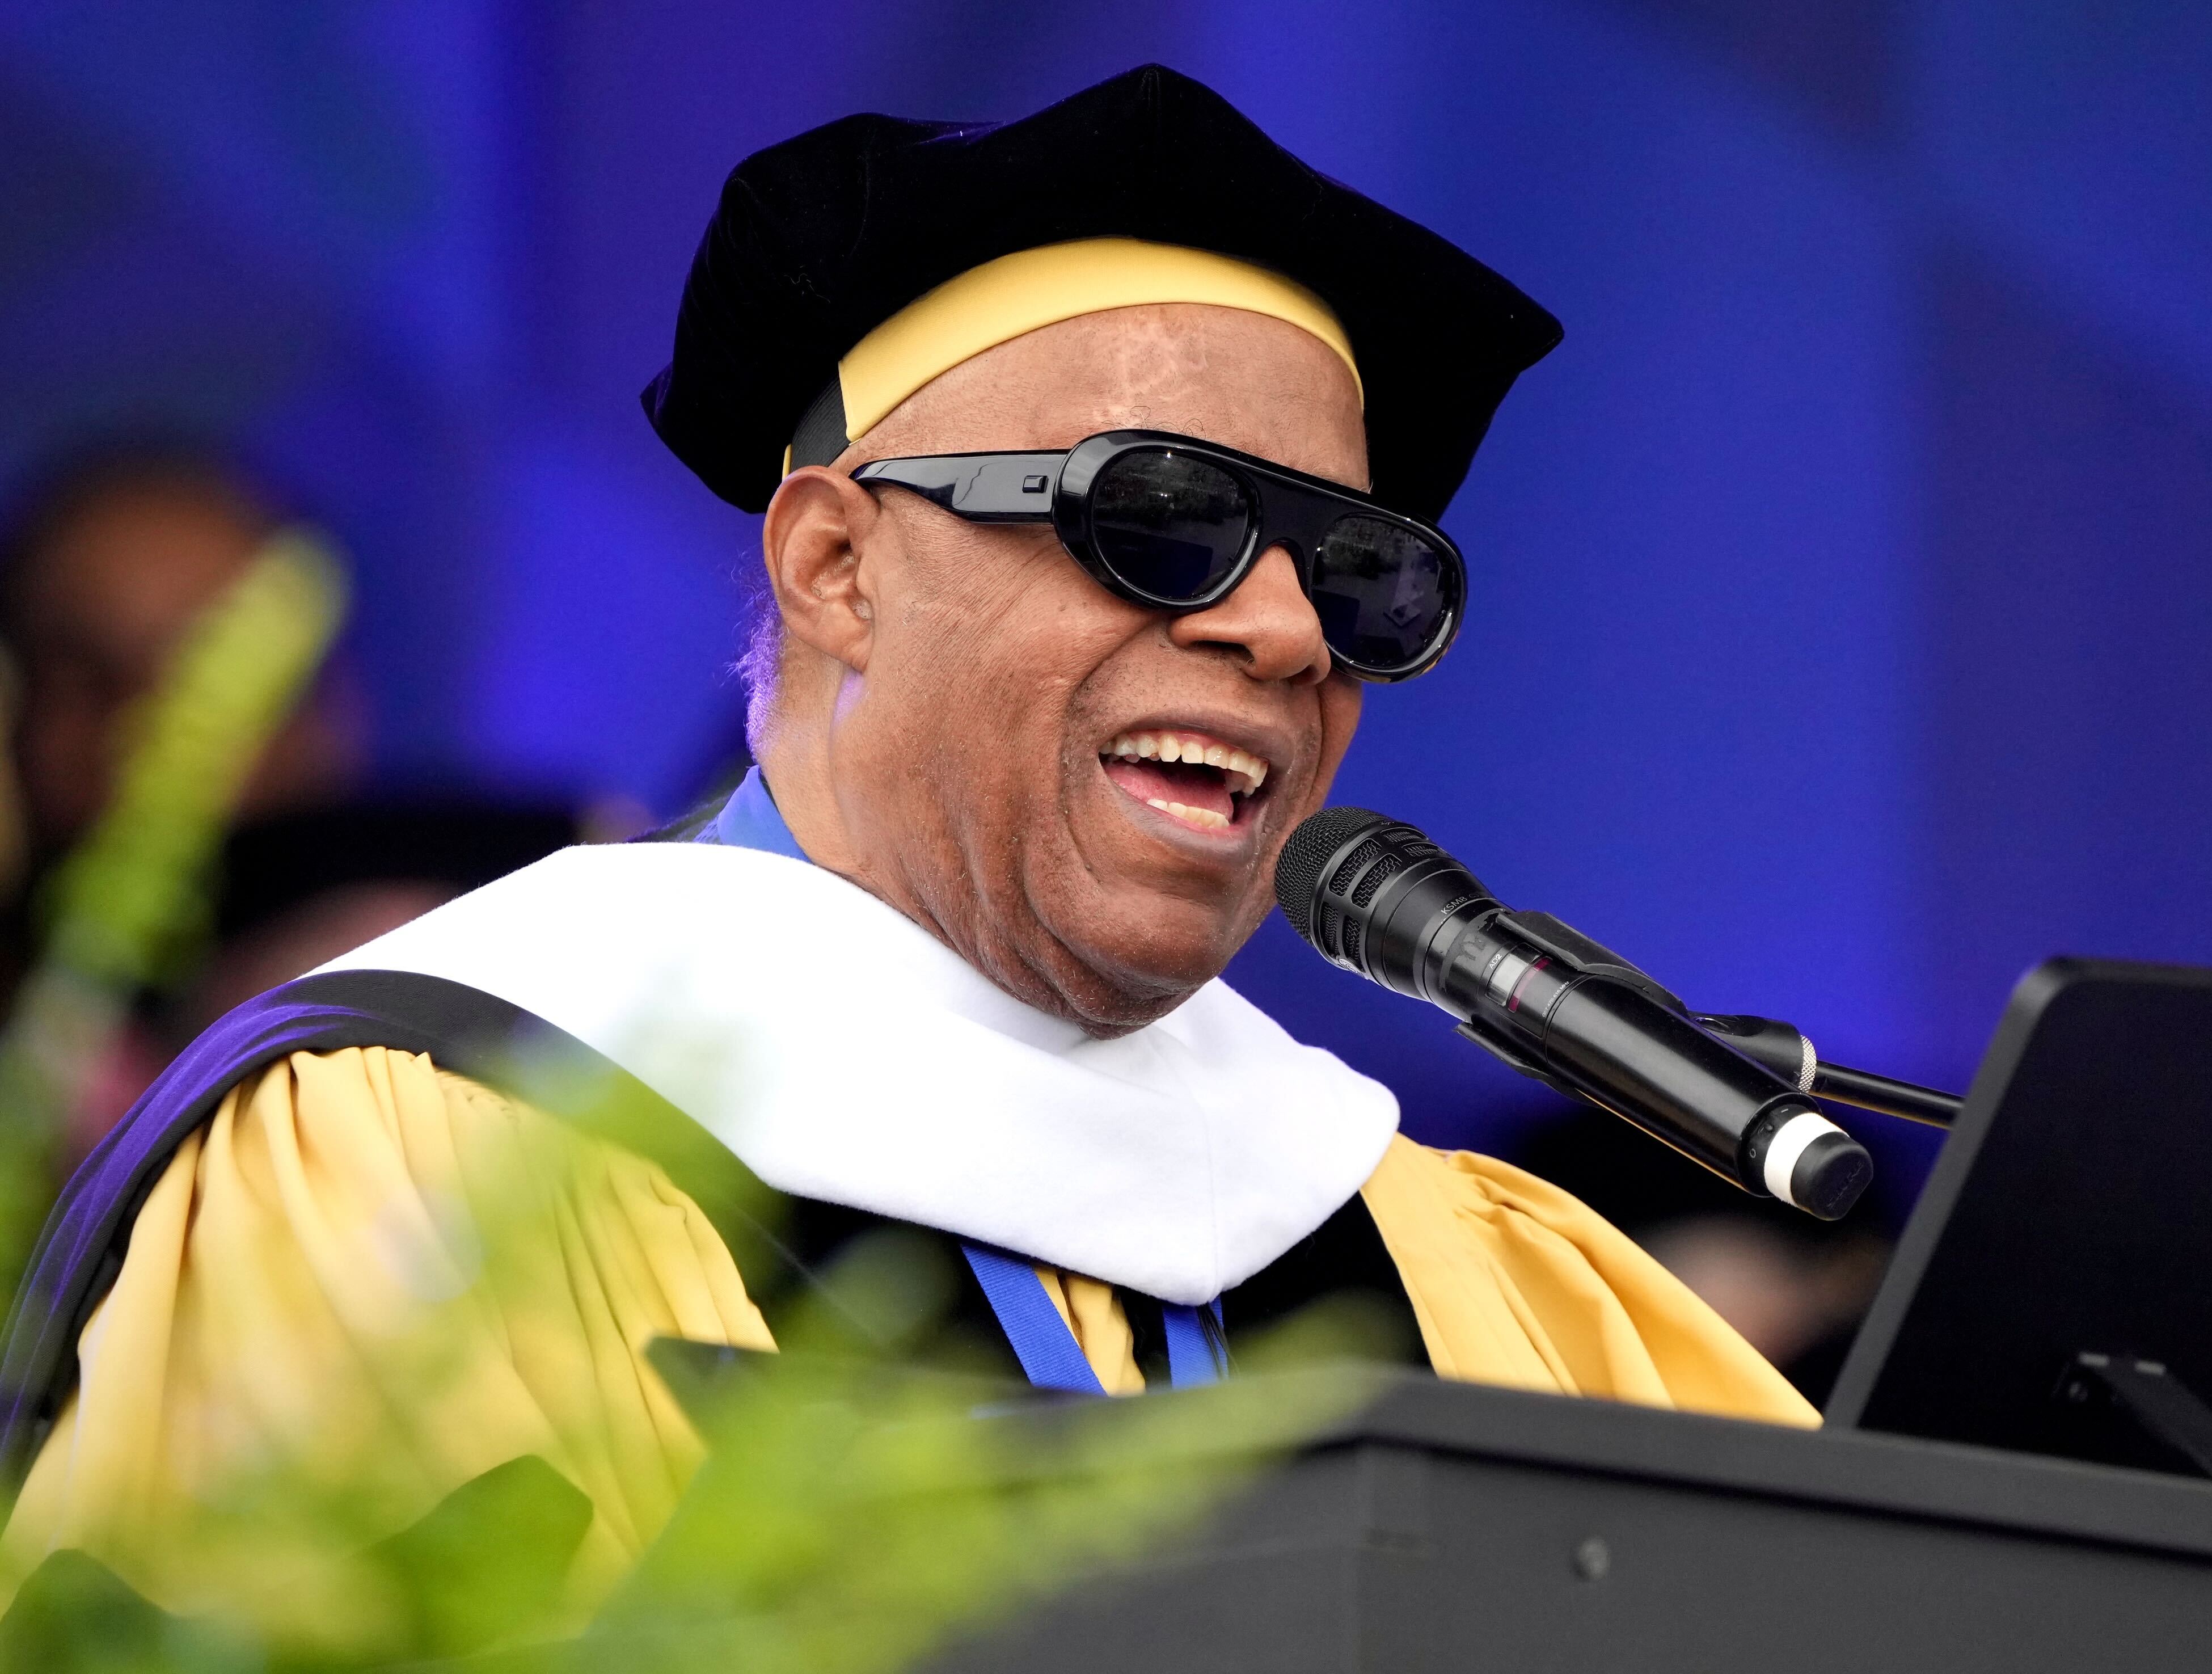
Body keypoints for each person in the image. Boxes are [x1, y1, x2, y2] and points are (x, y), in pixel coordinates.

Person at [0, 66, 1814, 1609]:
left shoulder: (1467, 1263)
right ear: (837, 566)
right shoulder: (444, 1146)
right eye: (1163, 518)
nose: (1280, 633)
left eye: (1356, 573)